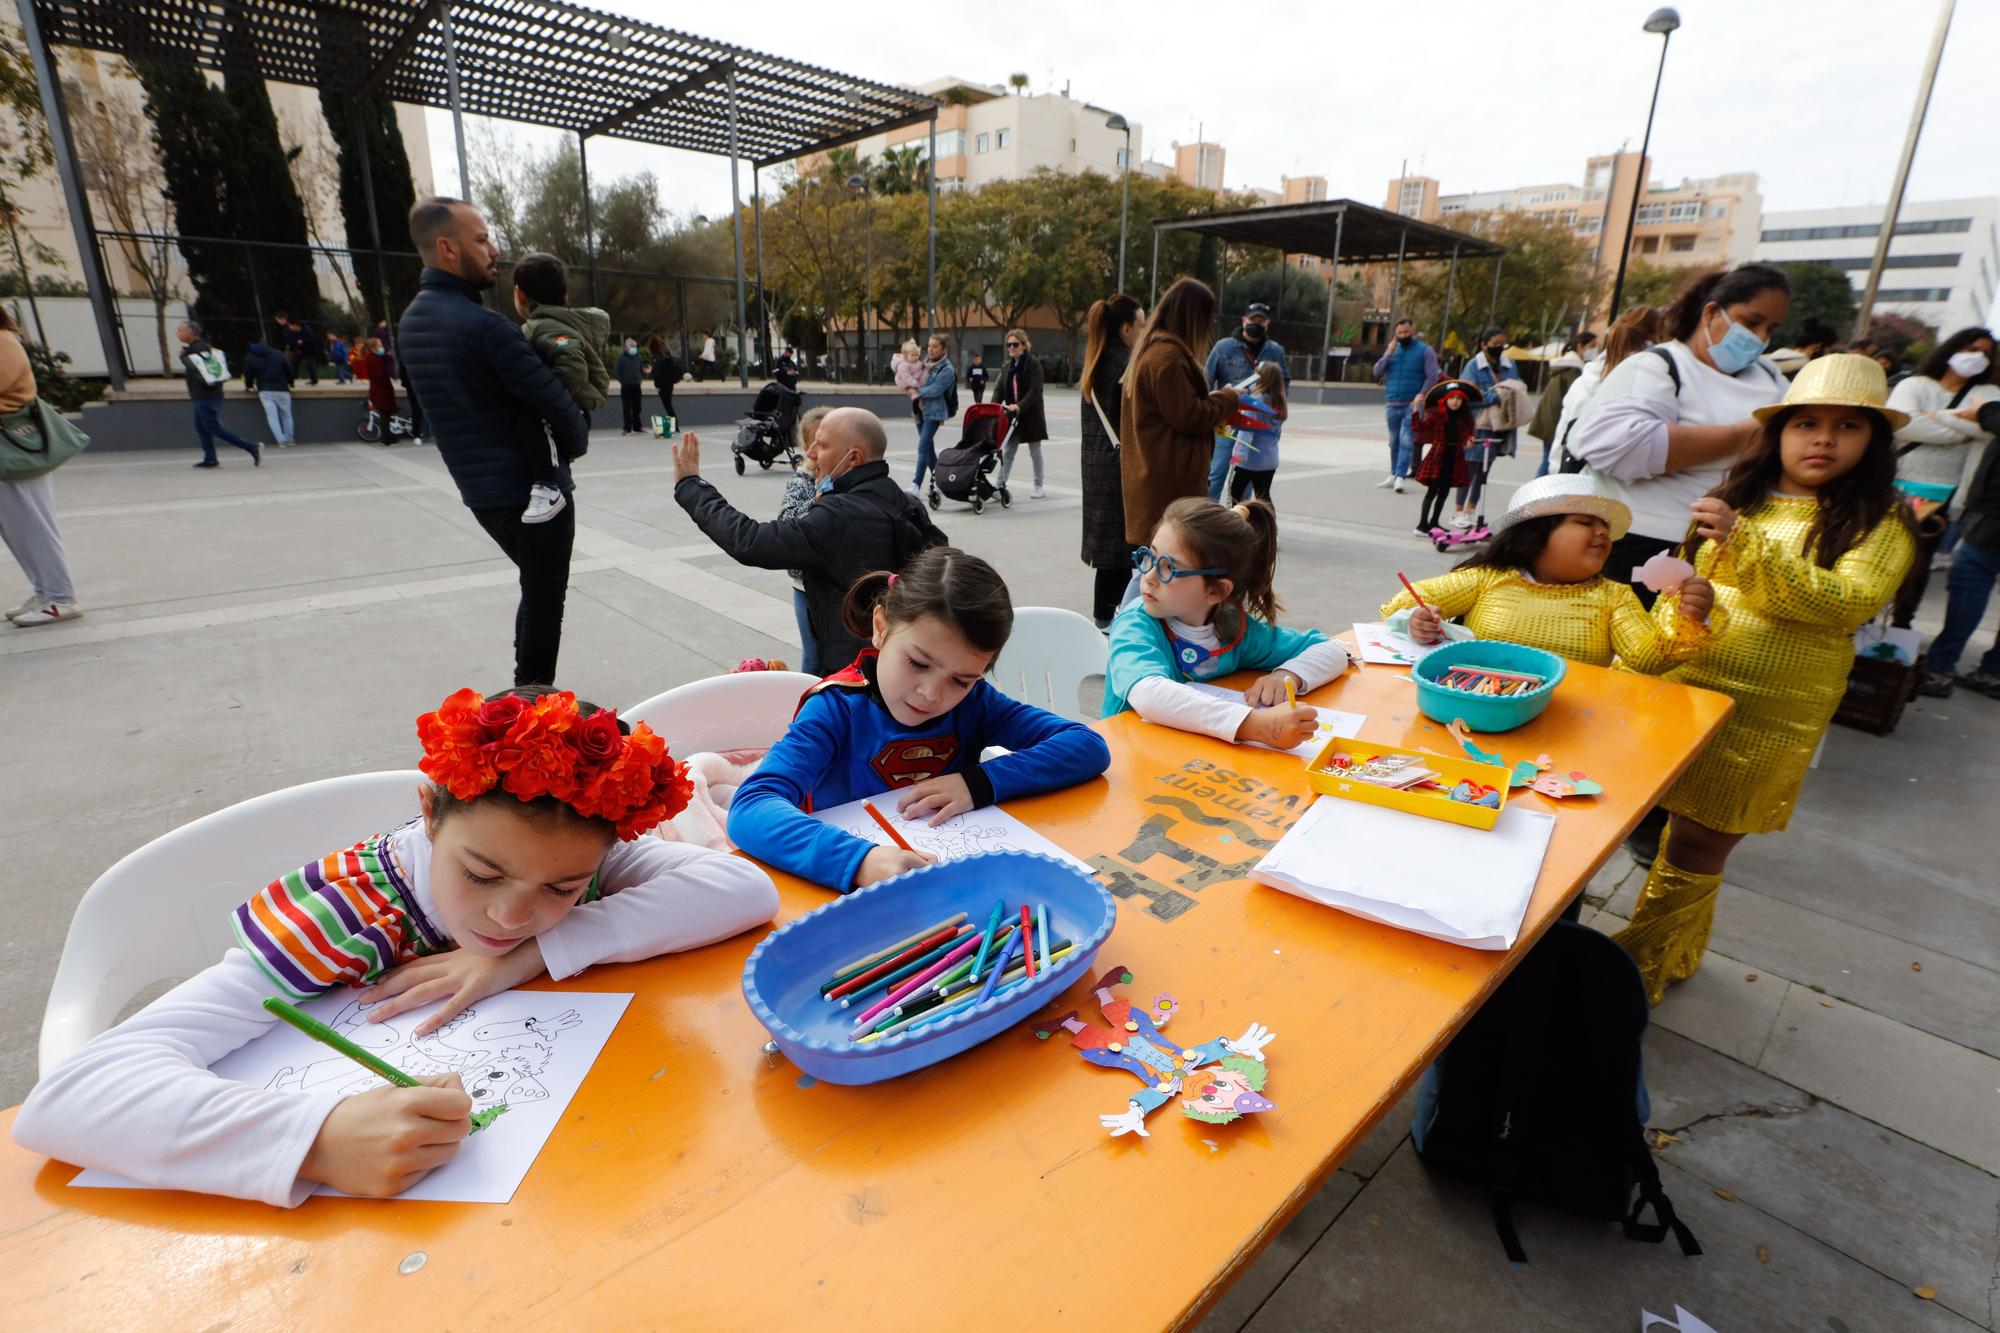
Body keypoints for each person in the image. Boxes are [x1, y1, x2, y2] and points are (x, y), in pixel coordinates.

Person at [12, 685, 780, 1204]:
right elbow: (72, 1096)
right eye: (482, 874)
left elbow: (746, 893)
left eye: (560, 890)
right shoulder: (343, 912)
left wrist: (527, 958)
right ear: (429, 812)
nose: (514, 914)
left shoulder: (579, 850)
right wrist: (313, 1141)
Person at [1613, 355, 1916, 1004]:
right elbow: (1681, 582)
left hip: (1769, 713)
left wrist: (1747, 547)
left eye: (1847, 426)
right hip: (1683, 686)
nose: (1824, 438)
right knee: (1661, 823)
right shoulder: (1734, 501)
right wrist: (1665, 630)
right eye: (1806, 422)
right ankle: (1678, 947)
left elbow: (1844, 601)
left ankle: (1639, 966)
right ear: (1777, 432)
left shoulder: (1879, 520)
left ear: (1874, 441)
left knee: (1700, 842)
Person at [727, 546, 1112, 890]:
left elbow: (1087, 746)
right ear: (880, 628)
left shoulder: (975, 703)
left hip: (950, 882)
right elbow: (752, 808)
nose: (931, 693)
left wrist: (978, 783)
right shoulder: (835, 708)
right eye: (917, 663)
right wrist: (858, 860)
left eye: (960, 680)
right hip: (841, 892)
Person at [398, 197, 590, 687]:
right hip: (533, 493)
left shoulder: (413, 322)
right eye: (481, 240)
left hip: (481, 494)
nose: (493, 250)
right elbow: (556, 405)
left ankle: (523, 697)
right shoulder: (486, 327)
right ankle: (529, 709)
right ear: (446, 248)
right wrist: (574, 442)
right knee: (546, 602)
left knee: (536, 590)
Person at [1570, 264, 1792, 595]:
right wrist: (1747, 435)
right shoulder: (1658, 365)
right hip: (1640, 546)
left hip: (1731, 551)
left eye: (1770, 329)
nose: (1760, 338)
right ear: (1712, 312)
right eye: (1751, 322)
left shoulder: (1771, 377)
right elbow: (1619, 446)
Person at [673, 407, 947, 670]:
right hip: (899, 659)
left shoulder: (836, 516)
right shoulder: (905, 501)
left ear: (854, 458)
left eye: (822, 445)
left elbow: (750, 541)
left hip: (854, 671)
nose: (811, 453)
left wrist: (691, 487)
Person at [1383, 473, 1718, 670]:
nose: (1603, 534)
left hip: (1573, 726)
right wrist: (1418, 619)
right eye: (1585, 523)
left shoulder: (1615, 597)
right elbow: (1399, 604)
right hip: (1477, 711)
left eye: (1607, 529)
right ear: (1535, 536)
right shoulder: (1489, 578)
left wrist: (1688, 617)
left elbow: (1647, 659)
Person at [1103, 497, 1342, 749]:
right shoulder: (1136, 624)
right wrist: (1255, 725)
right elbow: (1148, 694)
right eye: (1149, 557)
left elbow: (1332, 650)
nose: (1148, 577)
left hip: (1197, 758)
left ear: (1216, 593)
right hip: (1127, 758)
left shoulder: (1234, 628)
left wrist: (1287, 676)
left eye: (1169, 568)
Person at [1120, 279, 1243, 574]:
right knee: (1156, 573)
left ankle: (1130, 619)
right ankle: (1127, 621)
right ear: (1193, 316)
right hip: (1168, 485)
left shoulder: (1153, 351)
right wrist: (1228, 398)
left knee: (1152, 569)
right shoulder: (1168, 358)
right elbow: (1189, 416)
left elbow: (1178, 409)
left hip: (1154, 481)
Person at [1886, 326, 1996, 636]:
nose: (1977, 358)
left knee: (1919, 565)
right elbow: (1903, 424)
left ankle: (1900, 629)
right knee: (1882, 556)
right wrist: (1964, 427)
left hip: (1947, 493)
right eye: (1971, 349)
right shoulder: (1915, 384)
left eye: (1985, 354)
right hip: (1899, 484)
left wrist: (1938, 417)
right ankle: (1863, 624)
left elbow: (1990, 429)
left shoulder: (1988, 394)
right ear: (1953, 349)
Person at [511, 251, 610, 523]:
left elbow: (572, 364)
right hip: (569, 411)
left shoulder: (546, 328)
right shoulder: (546, 326)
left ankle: (547, 486)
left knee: (529, 418)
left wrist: (550, 399)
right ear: (564, 295)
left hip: (567, 411)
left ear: (520, 295)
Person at [0, 303, 82, 626]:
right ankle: (45, 591)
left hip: (15, 445)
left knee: (34, 525)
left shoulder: (4, 343)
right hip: (10, 448)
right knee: (16, 530)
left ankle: (62, 598)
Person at [1921, 400, 2000, 698]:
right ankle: (1993, 671)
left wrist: (1984, 411)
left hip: (1994, 515)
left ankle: (1940, 669)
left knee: (1971, 580)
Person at [1079, 294, 1142, 629]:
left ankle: (1103, 622)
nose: (1144, 332)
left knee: (1110, 557)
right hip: (1119, 469)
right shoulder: (1124, 365)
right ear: (1127, 328)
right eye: (1141, 325)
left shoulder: (1097, 359)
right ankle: (1110, 627)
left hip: (1098, 468)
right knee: (1120, 556)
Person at [1549, 306, 1660, 474]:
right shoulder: (1645, 384)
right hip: (1605, 489)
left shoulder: (1585, 378)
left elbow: (1562, 438)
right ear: (1655, 338)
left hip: (1569, 480)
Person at [1205, 302, 1289, 499]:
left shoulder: (1275, 351)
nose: (1256, 324)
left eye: (1261, 321)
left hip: (1260, 427)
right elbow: (1207, 380)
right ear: (1244, 321)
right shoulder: (1223, 347)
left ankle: (1241, 519)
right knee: (1217, 472)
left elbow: (1284, 382)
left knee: (1247, 479)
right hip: (1227, 423)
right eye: (1253, 320)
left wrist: (1277, 412)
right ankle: (1207, 516)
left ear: (1267, 323)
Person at [779, 405, 833, 672]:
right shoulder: (802, 481)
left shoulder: (848, 476)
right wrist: (817, 502)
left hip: (839, 583)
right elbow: (786, 526)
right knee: (813, 655)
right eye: (815, 444)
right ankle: (807, 703)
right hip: (806, 586)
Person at [1453, 328, 1523, 526]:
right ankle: (1459, 512)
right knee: (1470, 469)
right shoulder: (1474, 366)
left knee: (1484, 471)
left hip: (1500, 426)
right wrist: (1495, 396)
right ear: (1484, 344)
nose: (1499, 348)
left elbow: (1516, 388)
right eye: (1495, 344)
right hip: (1477, 425)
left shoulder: (1509, 365)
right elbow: (1466, 394)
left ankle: (1471, 510)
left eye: (1503, 344)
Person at [175, 319, 262, 469]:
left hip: (207, 396)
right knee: (202, 427)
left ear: (190, 332)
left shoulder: (200, 348)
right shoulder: (197, 347)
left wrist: (183, 356)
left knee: (213, 427)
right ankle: (210, 458)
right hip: (202, 395)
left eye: (180, 330)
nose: (178, 333)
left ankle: (251, 447)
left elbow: (197, 368)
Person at [1372, 317, 1439, 492]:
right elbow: (1377, 372)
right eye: (1399, 333)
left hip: (1413, 404)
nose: (1403, 335)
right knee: (1394, 441)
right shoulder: (1393, 350)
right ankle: (1393, 474)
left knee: (1406, 440)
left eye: (1406, 332)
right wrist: (1388, 353)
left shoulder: (1425, 350)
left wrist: (1421, 394)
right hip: (1392, 401)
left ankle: (1401, 476)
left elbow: (1432, 376)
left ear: (1413, 331)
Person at [1412, 379, 1478, 536]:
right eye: (1452, 398)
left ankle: (1434, 522)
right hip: (1438, 457)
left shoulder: (1464, 418)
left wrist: (1470, 439)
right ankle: (1422, 525)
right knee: (1432, 491)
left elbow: (1468, 434)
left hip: (1454, 458)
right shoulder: (1437, 415)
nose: (1455, 402)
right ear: (1446, 399)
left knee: (1444, 493)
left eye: (1459, 399)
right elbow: (1417, 427)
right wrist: (1416, 407)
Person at [1526, 335, 1593, 478]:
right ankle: (1536, 495)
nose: (1594, 351)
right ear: (1581, 346)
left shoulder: (1565, 365)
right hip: (1554, 422)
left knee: (1547, 461)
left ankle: (1535, 494)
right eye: (1592, 346)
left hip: (1548, 419)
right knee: (1548, 463)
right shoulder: (1573, 370)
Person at [995, 329, 1048, 499]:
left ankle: (1038, 485)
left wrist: (1019, 406)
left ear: (1024, 345)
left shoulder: (1033, 364)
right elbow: (999, 391)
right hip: (1012, 417)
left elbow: (1035, 390)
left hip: (1030, 414)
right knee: (1008, 451)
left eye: (1015, 344)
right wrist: (992, 408)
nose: (1011, 347)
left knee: (1035, 451)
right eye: (1009, 345)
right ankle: (1000, 485)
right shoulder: (1007, 367)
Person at [1227, 362, 1287, 504]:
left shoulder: (1255, 401)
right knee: (1264, 497)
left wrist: (1239, 454)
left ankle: (1237, 522)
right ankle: (1269, 524)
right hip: (1270, 459)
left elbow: (1247, 431)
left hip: (1250, 461)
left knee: (1235, 493)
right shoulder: (1279, 401)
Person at [912, 334, 955, 490]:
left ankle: (916, 485)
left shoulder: (947, 369)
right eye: (929, 345)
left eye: (935, 346)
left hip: (935, 412)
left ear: (944, 349)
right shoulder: (922, 364)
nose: (930, 349)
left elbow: (936, 390)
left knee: (923, 447)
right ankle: (940, 481)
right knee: (928, 447)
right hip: (919, 410)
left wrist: (915, 391)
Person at [241, 326, 296, 447]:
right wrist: (291, 382)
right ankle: (290, 439)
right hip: (282, 388)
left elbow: (248, 374)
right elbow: (288, 369)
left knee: (272, 417)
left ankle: (281, 441)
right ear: (263, 340)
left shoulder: (249, 357)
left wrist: (249, 385)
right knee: (286, 414)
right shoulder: (277, 353)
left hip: (265, 390)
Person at [354, 337, 403, 443]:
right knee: (385, 414)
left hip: (379, 390)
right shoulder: (374, 359)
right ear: (373, 348)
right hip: (381, 390)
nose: (382, 347)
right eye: (379, 345)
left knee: (385, 414)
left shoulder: (371, 358)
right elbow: (380, 376)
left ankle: (387, 436)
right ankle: (386, 438)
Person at [613, 338, 646, 435]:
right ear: (626, 347)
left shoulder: (638, 356)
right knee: (627, 408)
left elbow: (641, 369)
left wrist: (640, 379)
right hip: (626, 386)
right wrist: (623, 381)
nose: (633, 348)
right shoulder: (621, 357)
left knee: (637, 407)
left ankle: (637, 427)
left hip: (637, 385)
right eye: (631, 347)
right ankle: (627, 428)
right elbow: (616, 372)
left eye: (634, 347)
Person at [893, 339, 926, 426]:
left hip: (913, 380)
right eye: (913, 355)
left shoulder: (918, 363)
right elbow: (907, 378)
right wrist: (916, 384)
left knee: (920, 395)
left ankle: (920, 409)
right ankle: (916, 413)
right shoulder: (903, 365)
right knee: (915, 394)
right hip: (904, 382)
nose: (915, 357)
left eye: (917, 355)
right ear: (905, 356)